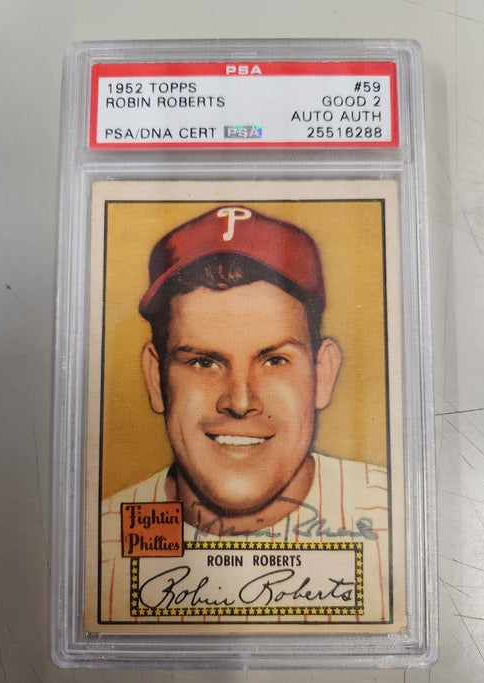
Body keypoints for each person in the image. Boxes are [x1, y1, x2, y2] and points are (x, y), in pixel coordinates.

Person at [100, 205, 389, 622]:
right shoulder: (100, 543)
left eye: (274, 360)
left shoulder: (397, 519)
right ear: (155, 377)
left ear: (322, 374)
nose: (239, 401)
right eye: (203, 362)